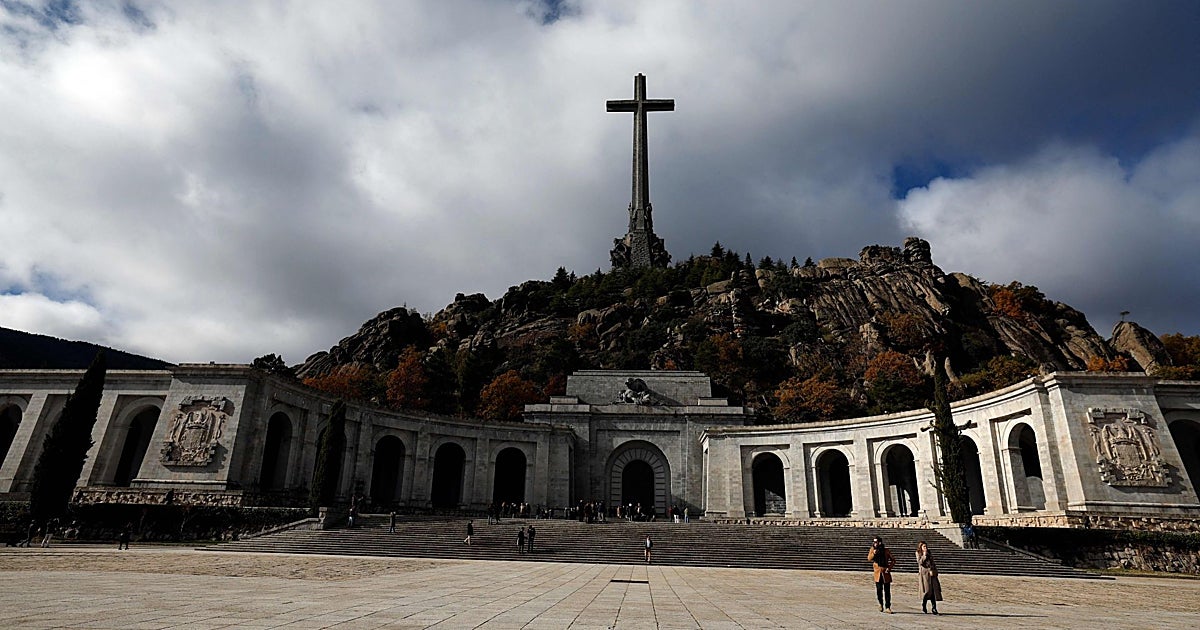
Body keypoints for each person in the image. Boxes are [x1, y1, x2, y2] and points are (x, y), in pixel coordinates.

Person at [867, 536, 896, 613]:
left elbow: (893, 560)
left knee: (887, 591)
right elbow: (869, 558)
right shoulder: (873, 550)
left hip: (885, 572)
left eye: (876, 542)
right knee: (879, 590)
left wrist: (889, 568)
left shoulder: (886, 551)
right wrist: (874, 553)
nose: (874, 543)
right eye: (874, 542)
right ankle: (880, 603)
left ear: (880, 542)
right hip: (877, 573)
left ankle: (888, 606)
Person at [917, 541, 942, 614]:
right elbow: (920, 562)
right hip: (924, 574)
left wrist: (935, 571)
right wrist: (924, 555)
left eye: (926, 546)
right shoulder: (918, 553)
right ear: (921, 547)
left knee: (933, 591)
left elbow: (932, 562)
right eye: (924, 546)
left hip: (931, 573)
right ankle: (924, 604)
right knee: (927, 591)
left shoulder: (929, 553)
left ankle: (934, 608)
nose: (925, 548)